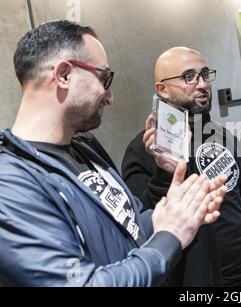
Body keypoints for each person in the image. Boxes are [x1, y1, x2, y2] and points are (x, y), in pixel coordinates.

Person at [0, 20, 227, 287]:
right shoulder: (10, 183)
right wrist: (171, 235)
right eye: (103, 77)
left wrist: (171, 211)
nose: (109, 96)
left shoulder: (86, 149)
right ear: (63, 75)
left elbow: (130, 227)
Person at [122, 47, 241, 286]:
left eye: (204, 74)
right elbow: (138, 224)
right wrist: (163, 174)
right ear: (162, 89)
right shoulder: (144, 148)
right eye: (188, 77)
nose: (201, 84)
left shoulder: (221, 133)